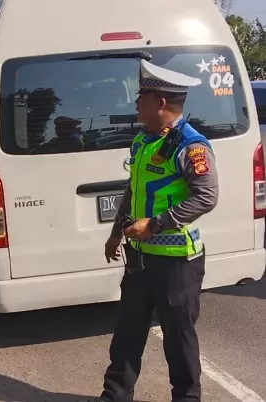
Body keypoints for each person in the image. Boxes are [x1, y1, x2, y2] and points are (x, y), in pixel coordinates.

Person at [95, 60, 219, 402]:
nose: (136, 103)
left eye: (142, 96)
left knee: (178, 338)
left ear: (161, 102)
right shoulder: (143, 140)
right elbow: (133, 190)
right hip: (140, 260)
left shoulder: (191, 146)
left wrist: (155, 224)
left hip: (177, 263)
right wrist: (117, 232)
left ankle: (187, 398)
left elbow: (207, 196)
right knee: (127, 334)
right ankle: (115, 396)